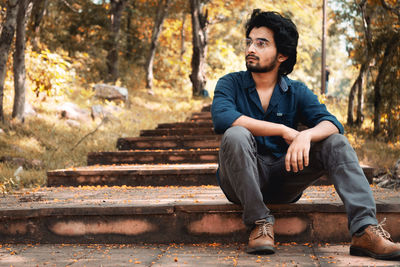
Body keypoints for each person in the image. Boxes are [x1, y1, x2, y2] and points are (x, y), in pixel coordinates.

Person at [211, 9, 400, 260]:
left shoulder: (296, 91)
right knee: (236, 134)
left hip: (284, 178)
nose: (250, 48)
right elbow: (223, 117)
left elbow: (333, 123)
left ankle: (364, 230)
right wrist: (284, 130)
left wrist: (305, 136)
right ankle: (259, 224)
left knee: (336, 143)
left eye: (261, 43)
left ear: (282, 55)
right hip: (239, 180)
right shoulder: (229, 83)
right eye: (249, 42)